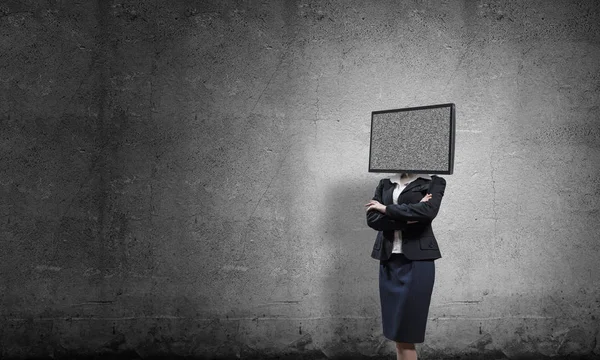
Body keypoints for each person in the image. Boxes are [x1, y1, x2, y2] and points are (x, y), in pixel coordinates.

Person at [365, 173, 446, 360]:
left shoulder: (433, 182)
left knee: (406, 332)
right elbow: (372, 219)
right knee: (396, 333)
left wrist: (385, 208)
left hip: (418, 262)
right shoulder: (385, 183)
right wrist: (410, 216)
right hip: (388, 261)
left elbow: (427, 212)